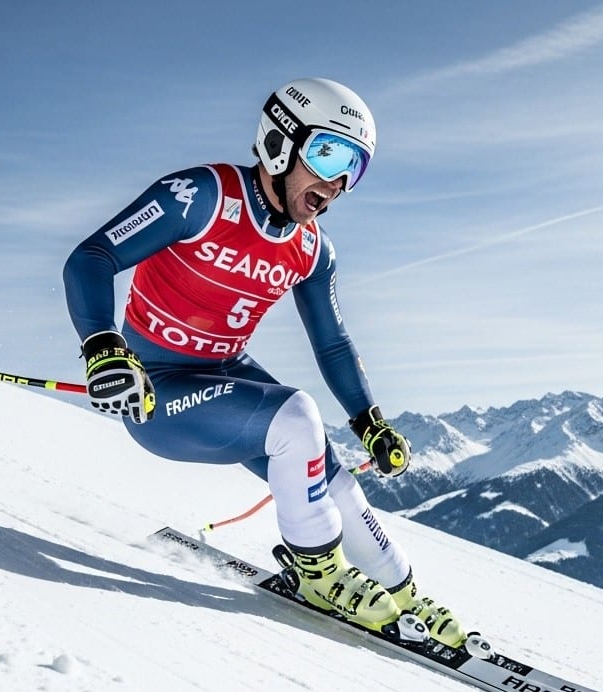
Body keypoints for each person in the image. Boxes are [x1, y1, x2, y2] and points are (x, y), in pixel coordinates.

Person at [62, 77, 468, 647]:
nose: (336, 183)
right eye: (329, 154)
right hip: (156, 390)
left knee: (332, 474)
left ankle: (400, 589)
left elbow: (331, 342)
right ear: (282, 141)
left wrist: (368, 420)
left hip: (224, 375)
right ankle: (318, 572)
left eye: (355, 169)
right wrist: (104, 345)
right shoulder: (201, 196)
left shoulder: (311, 248)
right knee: (297, 417)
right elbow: (92, 257)